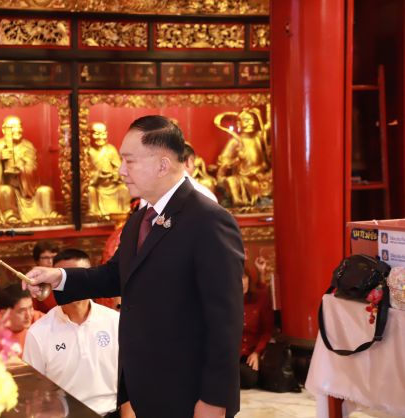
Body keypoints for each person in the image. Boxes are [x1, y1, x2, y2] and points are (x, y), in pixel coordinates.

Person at [26, 115, 245, 418]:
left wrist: (214, 399)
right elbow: (116, 274)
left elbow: (226, 320)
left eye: (129, 161)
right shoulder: (140, 219)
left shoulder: (208, 220)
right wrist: (59, 277)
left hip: (188, 390)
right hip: (147, 387)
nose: (120, 170)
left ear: (162, 165)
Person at [23, 249, 122, 416]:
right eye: (67, 279)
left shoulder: (115, 321)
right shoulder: (38, 333)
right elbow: (35, 393)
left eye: (79, 277)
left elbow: (132, 382)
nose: (74, 285)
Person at [0, 115, 58, 224]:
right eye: (13, 127)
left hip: (27, 189)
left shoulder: (27, 145)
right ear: (4, 130)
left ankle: (49, 214)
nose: (18, 130)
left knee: (46, 191)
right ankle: (10, 216)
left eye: (19, 126)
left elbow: (33, 168)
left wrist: (22, 168)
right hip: (9, 190)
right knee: (4, 190)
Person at [87, 122, 131, 217]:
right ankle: (94, 214)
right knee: (90, 191)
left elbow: (119, 169)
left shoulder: (111, 150)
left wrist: (113, 174)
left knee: (124, 189)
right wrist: (97, 175)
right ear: (89, 134)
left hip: (112, 184)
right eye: (96, 134)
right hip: (97, 186)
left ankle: (123, 213)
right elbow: (83, 174)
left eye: (103, 134)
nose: (100, 137)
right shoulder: (87, 151)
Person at [240, 264, 274, 389]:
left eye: (244, 277)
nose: (242, 282)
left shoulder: (260, 298)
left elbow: (267, 331)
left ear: (249, 278)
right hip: (232, 354)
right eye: (237, 278)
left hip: (251, 352)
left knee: (248, 378)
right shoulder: (226, 302)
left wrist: (257, 353)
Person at [0, 283, 43, 351]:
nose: (28, 315)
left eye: (30, 307)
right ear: (5, 314)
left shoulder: (40, 319)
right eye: (21, 311)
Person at [31, 240, 59, 313]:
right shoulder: (32, 282)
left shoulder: (64, 276)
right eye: (46, 258)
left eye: (54, 257)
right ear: (37, 261)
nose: (50, 261)